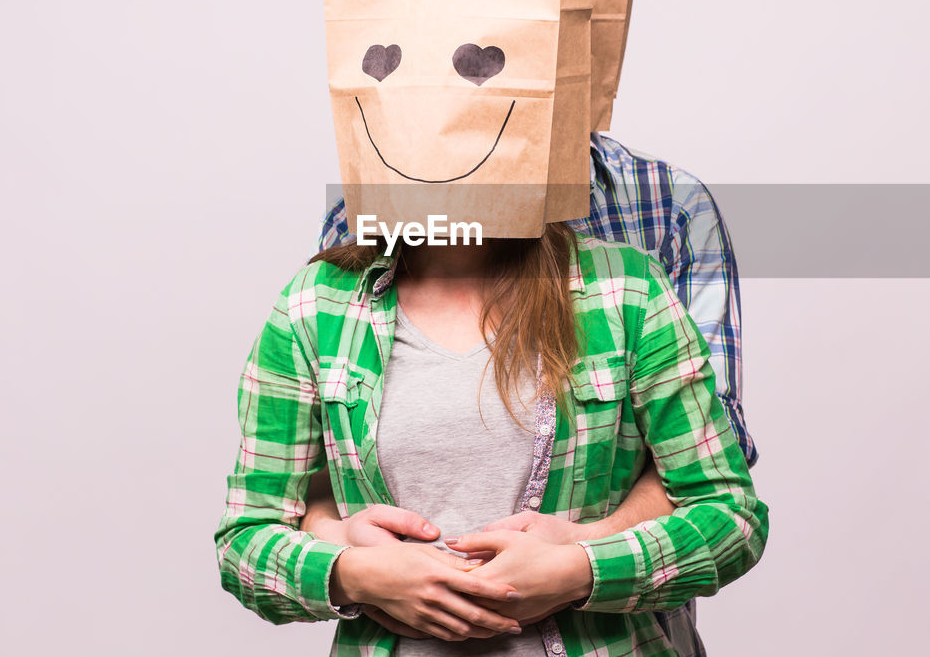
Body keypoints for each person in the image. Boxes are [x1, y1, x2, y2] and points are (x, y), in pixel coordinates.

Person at [214, 223, 768, 656]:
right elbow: (244, 541)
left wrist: (582, 568)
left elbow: (731, 516)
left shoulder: (625, 289)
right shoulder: (315, 305)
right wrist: (354, 573)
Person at [305, 132, 755, 653]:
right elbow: (328, 461)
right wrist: (355, 567)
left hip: (618, 631)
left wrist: (579, 561)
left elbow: (712, 471)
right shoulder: (353, 236)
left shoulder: (662, 218)